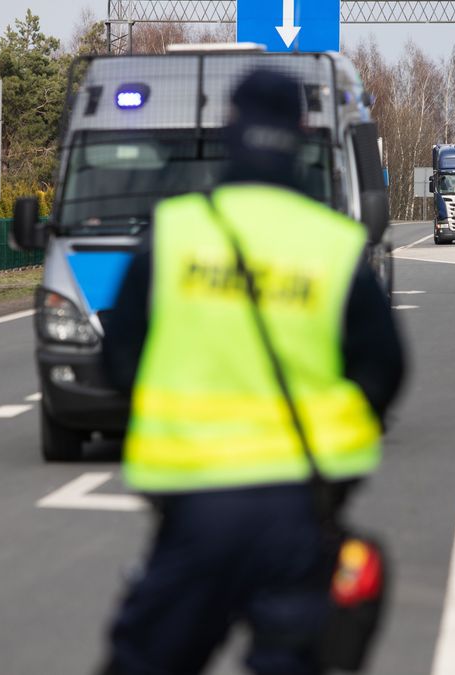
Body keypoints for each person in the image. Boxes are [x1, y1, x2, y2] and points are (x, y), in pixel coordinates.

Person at [98, 70, 405, 675]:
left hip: (192, 504)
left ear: (232, 127)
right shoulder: (334, 244)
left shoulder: (174, 232)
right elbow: (385, 369)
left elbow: (119, 356)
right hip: (299, 508)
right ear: (301, 133)